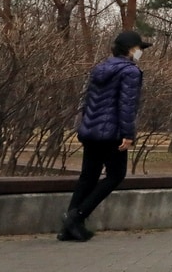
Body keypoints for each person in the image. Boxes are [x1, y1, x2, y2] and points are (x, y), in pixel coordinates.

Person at [58, 30, 149, 242]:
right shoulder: (130, 72)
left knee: (88, 177)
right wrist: (128, 134)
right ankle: (77, 217)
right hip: (112, 133)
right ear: (130, 50)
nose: (140, 53)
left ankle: (69, 227)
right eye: (138, 49)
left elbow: (90, 101)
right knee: (116, 175)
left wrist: (85, 126)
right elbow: (127, 106)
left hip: (91, 130)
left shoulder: (101, 68)